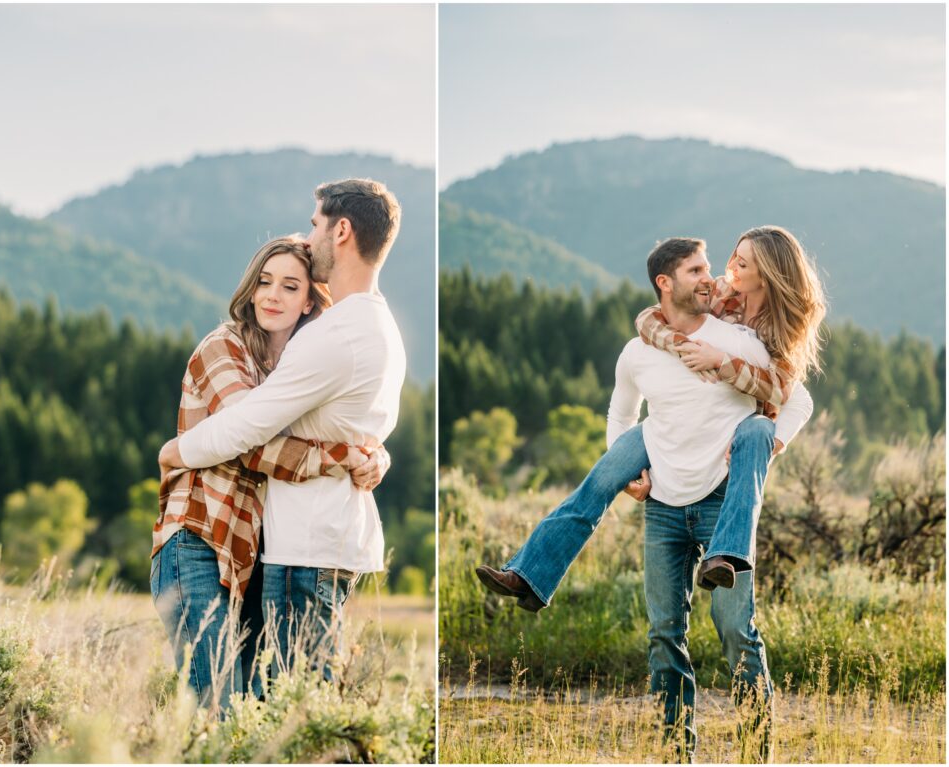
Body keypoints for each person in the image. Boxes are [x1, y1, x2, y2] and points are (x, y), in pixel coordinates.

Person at [480, 236, 825, 760]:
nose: (718, 275)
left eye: (731, 264)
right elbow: (621, 413)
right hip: (663, 501)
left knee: (735, 630)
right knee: (663, 635)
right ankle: (674, 752)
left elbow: (791, 393)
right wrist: (633, 474)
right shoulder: (645, 344)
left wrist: (768, 438)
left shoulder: (742, 335)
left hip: (721, 500)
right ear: (666, 283)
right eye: (702, 268)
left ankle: (758, 754)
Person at [476, 227, 824, 610]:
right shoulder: (722, 294)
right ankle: (528, 575)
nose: (727, 270)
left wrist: (724, 369)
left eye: (741, 263)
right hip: (668, 426)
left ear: (769, 272)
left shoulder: (778, 328)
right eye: (731, 258)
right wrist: (680, 345)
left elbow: (788, 393)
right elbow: (651, 317)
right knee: (599, 481)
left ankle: (725, 556)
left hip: (732, 435)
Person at [158, 178, 406, 685]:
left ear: (341, 230)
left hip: (279, 546)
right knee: (229, 709)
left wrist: (374, 456)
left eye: (290, 286)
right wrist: (176, 452)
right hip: (205, 536)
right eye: (265, 282)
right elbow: (249, 438)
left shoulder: (323, 343)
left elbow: (250, 430)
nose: (273, 295)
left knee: (278, 710)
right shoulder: (228, 348)